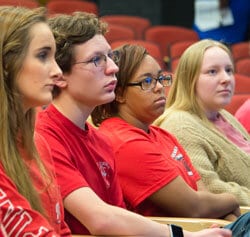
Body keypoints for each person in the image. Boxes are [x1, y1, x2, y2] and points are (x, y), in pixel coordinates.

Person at [35, 11, 233, 237]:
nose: (113, 68)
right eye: (96, 60)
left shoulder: (100, 140)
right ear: (59, 75)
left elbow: (118, 217)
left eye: (109, 57)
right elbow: (101, 221)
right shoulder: (44, 136)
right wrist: (185, 235)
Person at [0, 6, 71, 236]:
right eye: (43, 56)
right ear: (7, 63)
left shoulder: (37, 142)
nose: (58, 71)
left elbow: (60, 230)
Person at [154, 39, 250, 206]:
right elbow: (208, 189)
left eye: (229, 70)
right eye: (213, 72)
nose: (226, 79)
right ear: (190, 79)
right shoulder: (180, 125)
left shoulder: (224, 116)